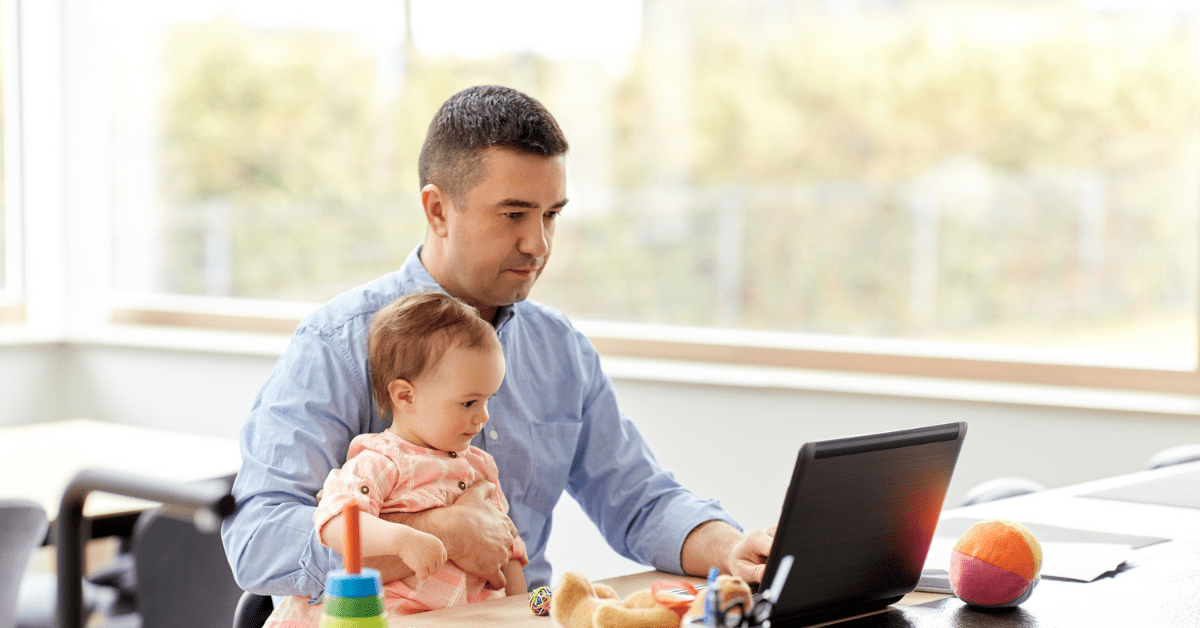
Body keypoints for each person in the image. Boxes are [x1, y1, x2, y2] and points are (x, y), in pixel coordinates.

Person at [222, 84, 775, 603]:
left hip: (519, 612)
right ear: (438, 210)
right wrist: (433, 534)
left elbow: (640, 501)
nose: (538, 244)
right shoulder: (337, 344)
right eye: (514, 214)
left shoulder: (559, 350)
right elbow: (257, 539)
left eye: (551, 215)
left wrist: (728, 549)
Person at [263, 292, 526, 626]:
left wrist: (526, 611)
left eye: (488, 400)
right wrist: (401, 540)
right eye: (469, 403)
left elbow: (507, 548)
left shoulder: (481, 468)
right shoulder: (381, 460)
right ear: (405, 396)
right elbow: (335, 522)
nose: (483, 416)